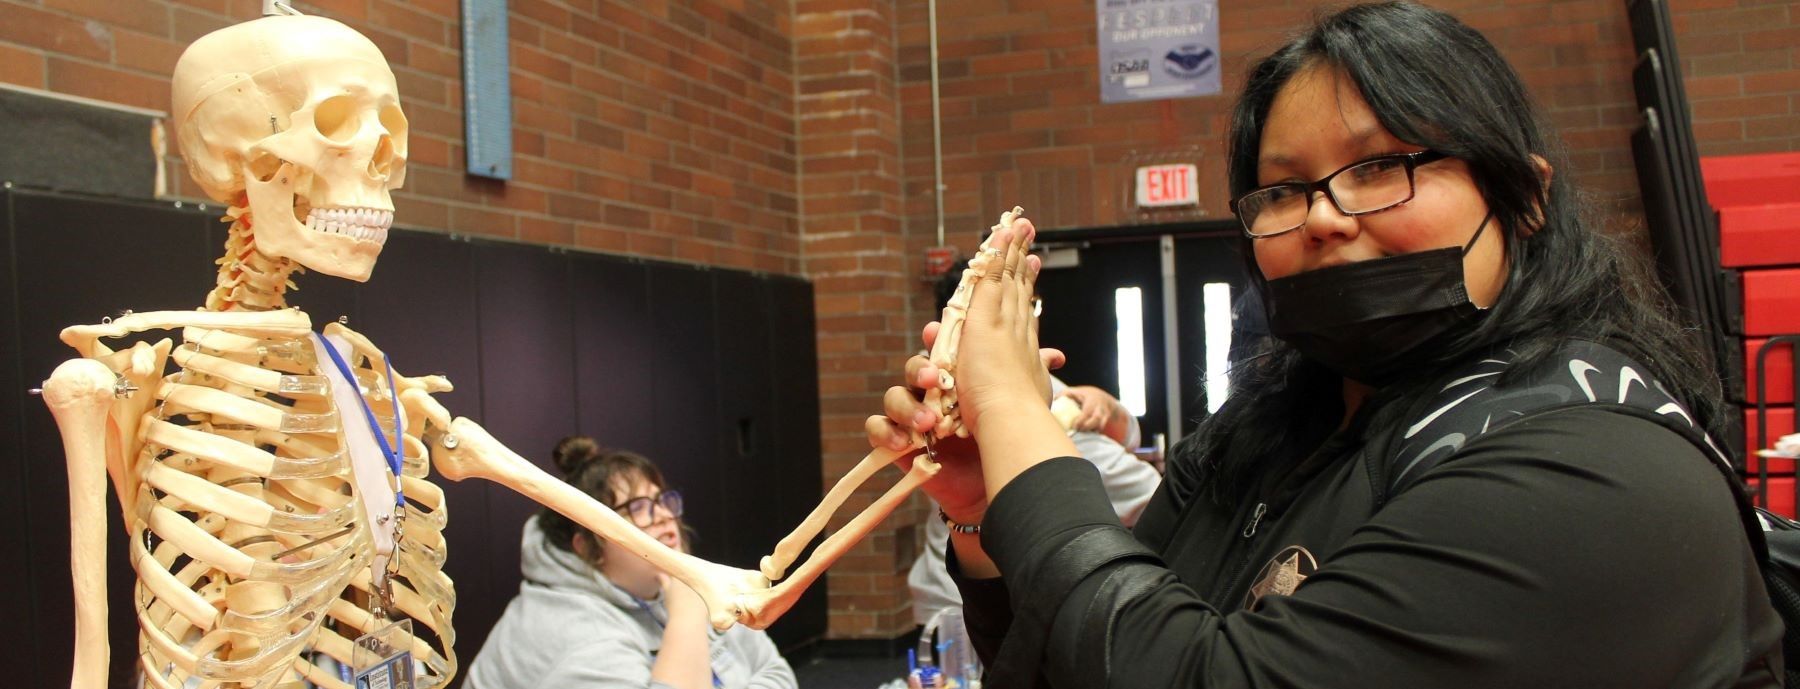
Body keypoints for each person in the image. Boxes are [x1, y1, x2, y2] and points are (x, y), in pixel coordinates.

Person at [868, 3, 1783, 687]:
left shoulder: (1597, 471)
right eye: (1283, 191)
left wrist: (1016, 410)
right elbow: (1077, 652)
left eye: (1381, 167)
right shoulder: (1267, 430)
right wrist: (983, 510)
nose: (1324, 217)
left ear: (1525, 197)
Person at [908, 263, 1161, 629]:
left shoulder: (1021, 383)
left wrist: (1104, 405)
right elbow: (1147, 492)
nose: (1030, 319)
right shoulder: (1009, 397)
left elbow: (1127, 435)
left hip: (953, 594)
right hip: (979, 605)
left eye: (1032, 304)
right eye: (1022, 304)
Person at [465, 437, 797, 689]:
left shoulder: (679, 584)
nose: (664, 515)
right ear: (588, 547)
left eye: (662, 500)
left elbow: (777, 673)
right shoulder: (575, 633)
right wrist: (686, 615)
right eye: (638, 508)